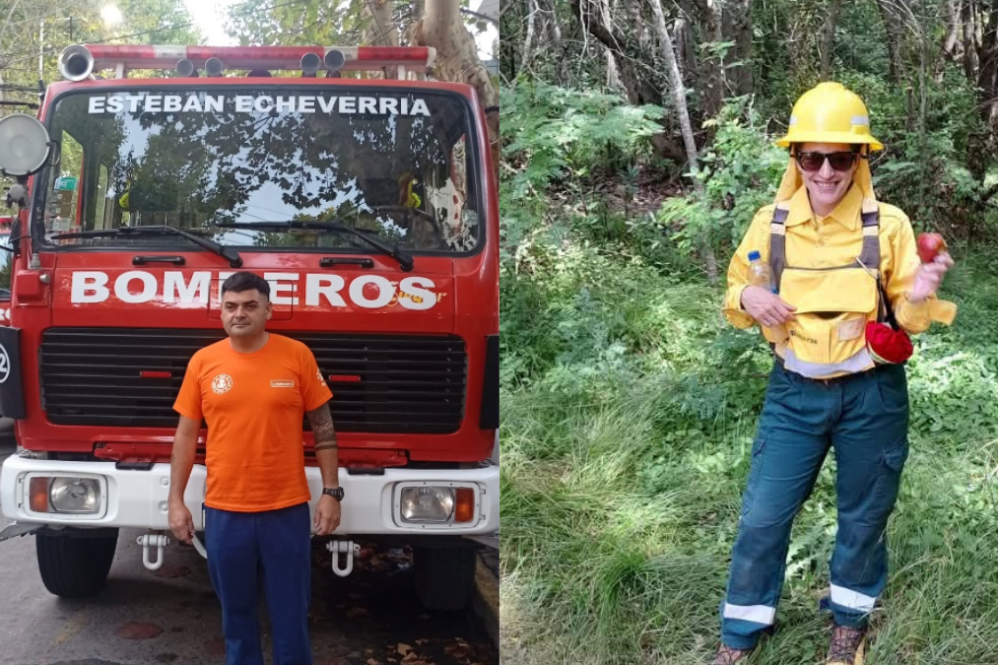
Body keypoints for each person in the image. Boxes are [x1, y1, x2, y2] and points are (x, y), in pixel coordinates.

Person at [712, 82, 957, 665]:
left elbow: (911, 320)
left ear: (860, 160)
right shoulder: (769, 223)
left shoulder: (888, 225)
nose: (825, 172)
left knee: (864, 515)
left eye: (840, 157)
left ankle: (849, 621)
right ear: (795, 159)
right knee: (763, 515)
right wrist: (749, 299)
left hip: (871, 395)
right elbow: (734, 288)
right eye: (811, 157)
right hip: (794, 394)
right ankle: (741, 634)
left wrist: (922, 289)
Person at [168, 271, 342, 665]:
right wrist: (175, 501)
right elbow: (185, 437)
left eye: (249, 305)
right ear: (221, 312)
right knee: (237, 616)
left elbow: (325, 429)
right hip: (226, 513)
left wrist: (331, 493)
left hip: (286, 510)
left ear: (269, 309)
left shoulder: (297, 355)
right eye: (231, 306)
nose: (239, 314)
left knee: (291, 615)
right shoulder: (203, 362)